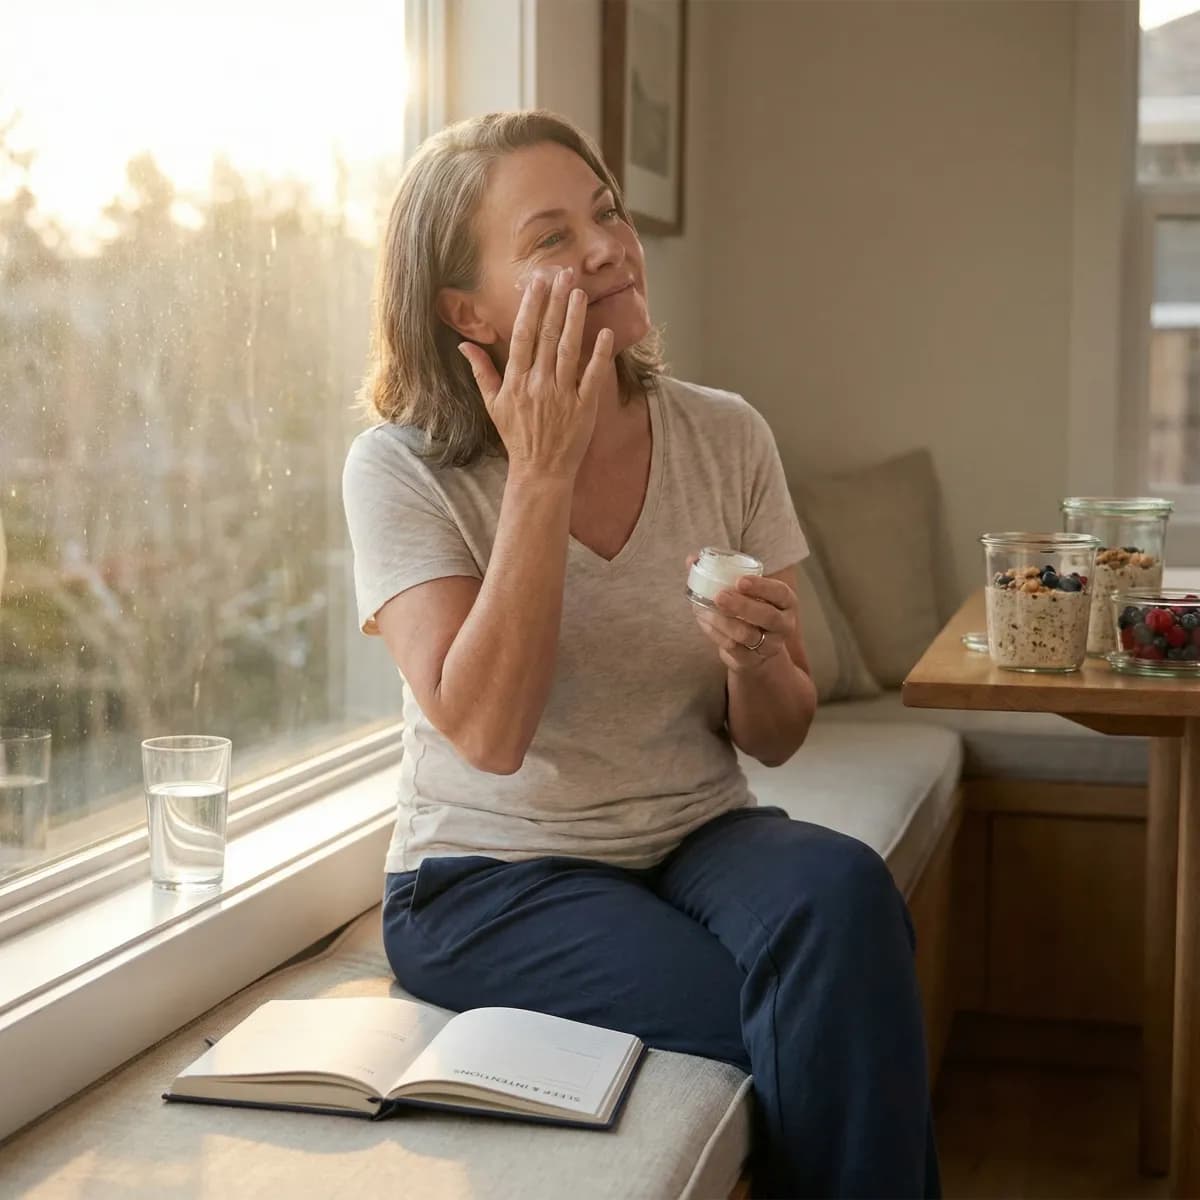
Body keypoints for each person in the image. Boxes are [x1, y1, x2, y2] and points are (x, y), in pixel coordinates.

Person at [342, 110, 938, 1199]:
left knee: (844, 895)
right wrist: (541, 474)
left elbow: (781, 734)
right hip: (491, 881)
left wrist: (755, 662)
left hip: (696, 831)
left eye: (606, 213)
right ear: (464, 310)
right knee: (809, 1012)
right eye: (552, 237)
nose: (607, 247)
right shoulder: (400, 471)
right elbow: (487, 735)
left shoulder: (726, 435)